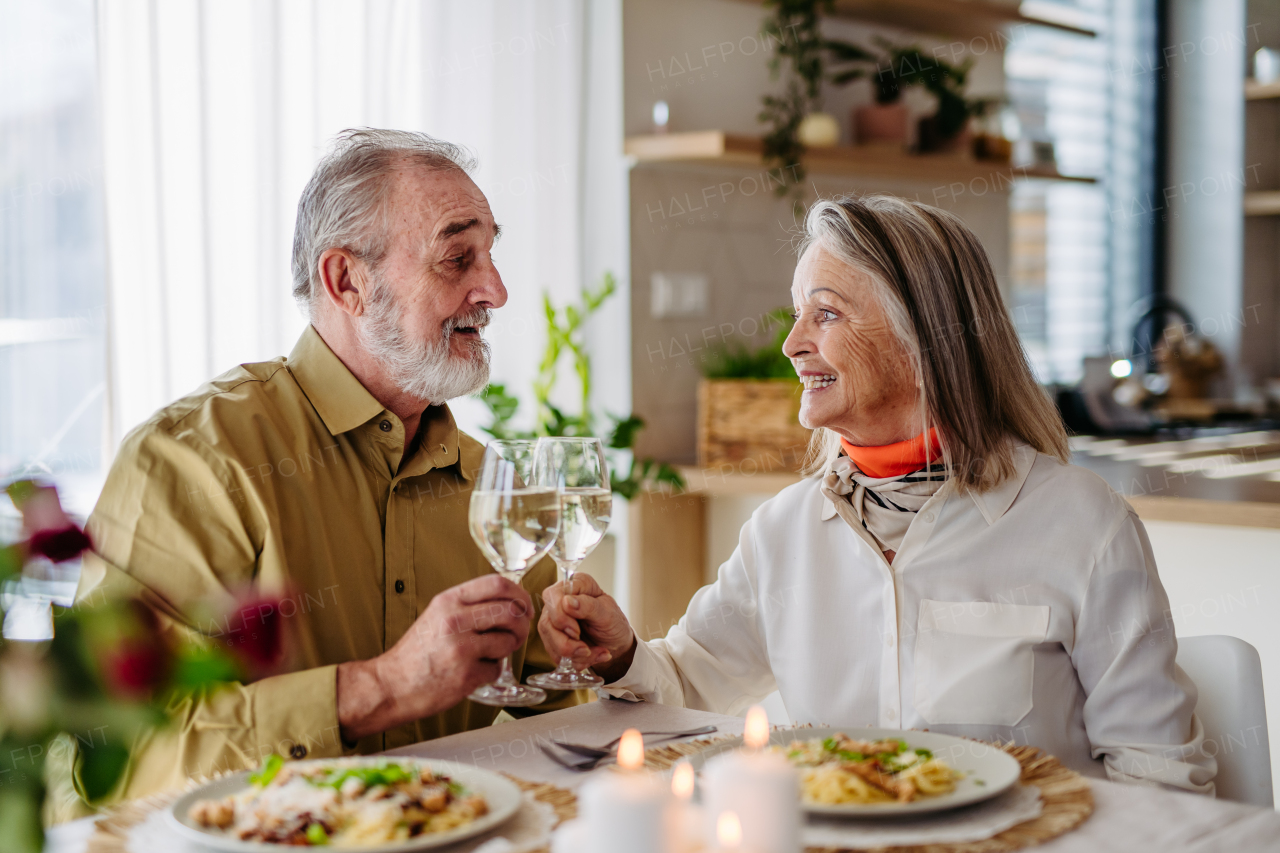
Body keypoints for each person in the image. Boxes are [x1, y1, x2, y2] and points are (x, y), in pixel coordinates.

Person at [540, 194, 1216, 794]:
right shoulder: (782, 532)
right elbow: (687, 688)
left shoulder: (1082, 525)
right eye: (798, 315)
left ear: (925, 337)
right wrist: (622, 653)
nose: (791, 344)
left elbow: (1161, 779)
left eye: (824, 314)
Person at [52, 129, 587, 818]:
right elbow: (113, 756)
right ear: (347, 282)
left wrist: (606, 657)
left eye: (490, 255)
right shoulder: (192, 462)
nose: (497, 290)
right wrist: (380, 687)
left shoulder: (495, 487)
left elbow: (569, 717)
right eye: (458, 258)